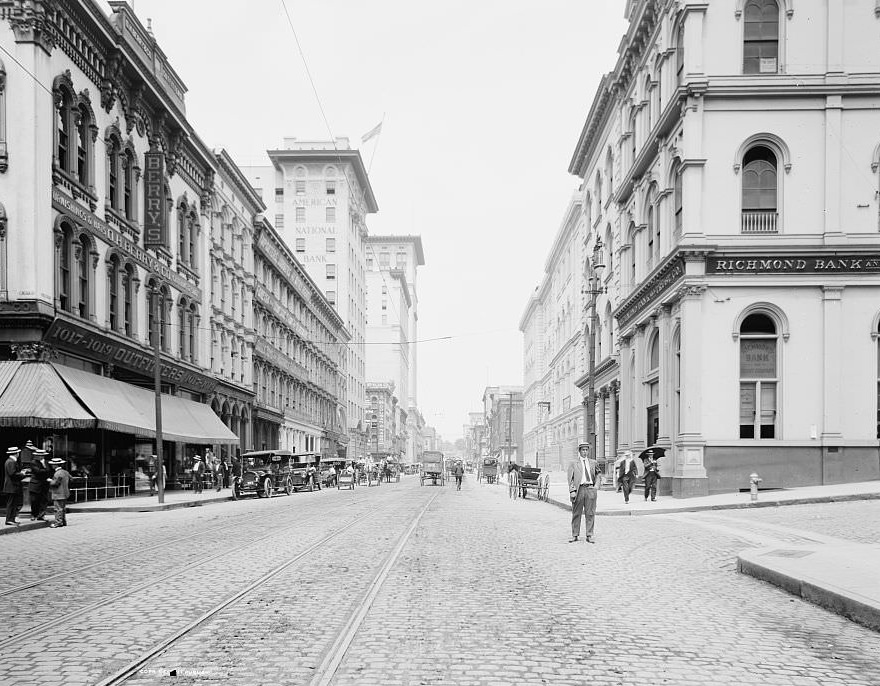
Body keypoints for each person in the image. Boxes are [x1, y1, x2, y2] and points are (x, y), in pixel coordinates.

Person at [566, 441, 601, 543]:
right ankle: (575, 535)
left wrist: (596, 486)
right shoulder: (573, 463)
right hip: (579, 490)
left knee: (590, 513)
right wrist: (572, 490)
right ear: (579, 451)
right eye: (583, 450)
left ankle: (589, 535)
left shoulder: (593, 463)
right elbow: (570, 479)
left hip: (590, 489)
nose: (585, 452)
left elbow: (598, 474)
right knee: (576, 513)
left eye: (586, 450)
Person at [28, 449, 51, 521]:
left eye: (42, 455)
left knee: (43, 500)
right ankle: (34, 514)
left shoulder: (47, 462)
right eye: (39, 455)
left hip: (44, 484)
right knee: (34, 500)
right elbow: (38, 471)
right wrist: (46, 470)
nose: (41, 456)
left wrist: (45, 470)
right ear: (36, 456)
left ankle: (41, 515)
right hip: (35, 484)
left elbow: (50, 471)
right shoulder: (33, 462)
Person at [47, 457, 71, 528]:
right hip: (65, 493)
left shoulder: (57, 473)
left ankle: (58, 522)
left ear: (56, 465)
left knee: (57, 508)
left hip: (58, 493)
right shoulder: (65, 472)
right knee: (62, 508)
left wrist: (50, 481)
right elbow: (71, 478)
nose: (52, 466)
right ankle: (63, 521)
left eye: (53, 464)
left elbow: (55, 483)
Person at [3, 446, 24, 526]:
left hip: (13, 486)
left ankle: (12, 519)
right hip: (11, 486)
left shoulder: (11, 461)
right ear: (16, 453)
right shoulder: (11, 462)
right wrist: (22, 474)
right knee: (11, 504)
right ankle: (9, 520)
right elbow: (12, 474)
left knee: (13, 504)